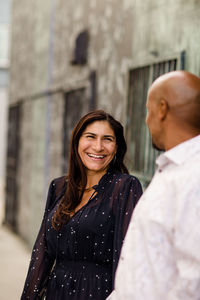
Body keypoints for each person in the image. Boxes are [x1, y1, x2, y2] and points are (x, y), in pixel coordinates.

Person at [21, 110, 143, 300]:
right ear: (77, 141)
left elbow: (129, 256)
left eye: (107, 139)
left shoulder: (125, 187)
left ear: (117, 147)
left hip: (99, 293)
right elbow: (42, 253)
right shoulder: (59, 186)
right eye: (91, 137)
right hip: (57, 292)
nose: (98, 146)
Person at [107, 71, 200, 300]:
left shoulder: (193, 177)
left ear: (161, 109)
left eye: (147, 111)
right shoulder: (173, 169)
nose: (147, 121)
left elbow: (194, 283)